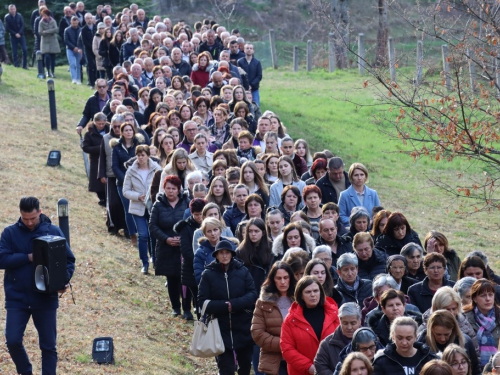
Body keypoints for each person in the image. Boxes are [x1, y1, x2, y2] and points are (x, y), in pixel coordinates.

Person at [0, 197, 76, 375]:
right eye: (25, 218)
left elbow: (69, 260)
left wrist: (63, 280)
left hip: (45, 299)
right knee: (12, 340)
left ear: (39, 213)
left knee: (48, 346)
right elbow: (2, 259)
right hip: (17, 298)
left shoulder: (54, 231)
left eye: (32, 218)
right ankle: (25, 371)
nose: (29, 222)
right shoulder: (10, 233)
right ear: (20, 214)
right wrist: (27, 257)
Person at [198, 239, 258, 375]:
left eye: (227, 253)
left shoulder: (242, 271)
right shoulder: (208, 274)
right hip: (220, 329)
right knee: (226, 369)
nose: (224, 256)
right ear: (216, 255)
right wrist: (225, 306)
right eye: (221, 253)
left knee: (244, 369)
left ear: (232, 254)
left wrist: (235, 305)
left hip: (243, 326)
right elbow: (202, 301)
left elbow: (252, 294)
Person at [280, 276, 340, 375]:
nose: (313, 295)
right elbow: (287, 349)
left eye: (316, 291)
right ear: (301, 295)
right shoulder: (290, 320)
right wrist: (309, 367)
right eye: (308, 292)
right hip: (302, 371)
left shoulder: (335, 314)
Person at [149, 175, 191, 317]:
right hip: (166, 247)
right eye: (168, 188)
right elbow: (153, 225)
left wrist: (183, 238)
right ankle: (175, 307)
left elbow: (191, 222)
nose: (171, 191)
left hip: (183, 248)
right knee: (171, 278)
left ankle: (187, 308)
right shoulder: (158, 204)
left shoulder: (186, 203)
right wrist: (166, 239)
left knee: (184, 278)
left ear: (179, 190)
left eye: (173, 189)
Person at [251, 261, 296, 375]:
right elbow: (257, 333)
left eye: (286, 277)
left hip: (298, 358)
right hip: (274, 360)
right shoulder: (263, 302)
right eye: (278, 278)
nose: (282, 282)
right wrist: (283, 344)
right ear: (273, 280)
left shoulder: (300, 299)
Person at [123, 145, 161, 274]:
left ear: (148, 156)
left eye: (143, 155)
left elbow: (161, 187)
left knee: (153, 235)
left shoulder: (157, 169)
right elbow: (125, 191)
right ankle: (144, 263)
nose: (140, 158)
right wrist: (137, 196)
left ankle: (155, 261)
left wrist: (152, 196)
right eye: (138, 155)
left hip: (152, 207)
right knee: (143, 235)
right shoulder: (131, 171)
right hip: (137, 207)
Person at [416, 309, 480, 375]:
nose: (443, 339)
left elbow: (475, 369)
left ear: (453, 329)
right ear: (431, 329)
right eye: (438, 334)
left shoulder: (465, 341)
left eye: (446, 334)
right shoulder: (422, 343)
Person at [416, 286, 478, 352]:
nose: (451, 313)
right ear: (437, 308)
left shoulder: (464, 324)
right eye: (447, 309)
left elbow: (475, 352)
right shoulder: (423, 331)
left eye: (454, 309)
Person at [372, 316, 437, 375]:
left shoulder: (430, 359)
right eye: (400, 338)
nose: (404, 342)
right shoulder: (382, 361)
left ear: (415, 337)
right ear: (393, 337)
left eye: (408, 338)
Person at [174, 198, 205, 320]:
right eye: (196, 214)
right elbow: (185, 248)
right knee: (189, 289)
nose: (199, 217)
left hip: (204, 264)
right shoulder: (185, 227)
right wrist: (198, 261)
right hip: (190, 265)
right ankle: (187, 309)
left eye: (201, 214)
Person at [314, 302, 362, 371]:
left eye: (353, 323)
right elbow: (320, 367)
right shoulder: (326, 344)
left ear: (359, 321)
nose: (349, 327)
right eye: (345, 323)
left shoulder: (370, 340)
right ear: (340, 321)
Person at [463, 279, 500, 367]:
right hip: (472, 366)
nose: (488, 299)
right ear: (475, 298)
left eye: (490, 295)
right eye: (483, 295)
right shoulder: (464, 318)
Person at [82, 112, 109, 206]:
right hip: (96, 160)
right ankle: (102, 199)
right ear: (94, 122)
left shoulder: (110, 130)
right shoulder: (89, 133)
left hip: (108, 160)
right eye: (99, 124)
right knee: (98, 183)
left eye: (103, 123)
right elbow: (85, 147)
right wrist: (100, 148)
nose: (101, 126)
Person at [4, 4, 28, 69]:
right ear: (9, 10)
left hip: (21, 35)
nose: (13, 10)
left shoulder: (19, 16)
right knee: (14, 51)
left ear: (16, 9)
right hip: (13, 36)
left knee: (25, 49)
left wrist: (19, 33)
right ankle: (16, 65)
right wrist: (15, 34)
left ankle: (24, 65)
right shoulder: (7, 17)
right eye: (11, 9)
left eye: (14, 9)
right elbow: (7, 28)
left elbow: (23, 25)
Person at [38, 8, 59, 78]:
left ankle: (53, 71)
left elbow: (55, 29)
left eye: (44, 15)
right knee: (47, 56)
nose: (43, 16)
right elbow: (40, 32)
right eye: (42, 15)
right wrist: (50, 31)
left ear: (48, 15)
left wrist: (46, 31)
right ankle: (48, 71)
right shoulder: (41, 22)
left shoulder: (53, 21)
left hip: (53, 41)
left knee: (53, 57)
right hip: (45, 42)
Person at [64, 16, 82, 84]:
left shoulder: (81, 30)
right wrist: (73, 47)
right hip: (70, 49)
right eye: (73, 23)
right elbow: (66, 40)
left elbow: (82, 40)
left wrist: (79, 48)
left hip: (79, 49)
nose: (74, 24)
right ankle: (74, 78)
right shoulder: (67, 30)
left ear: (78, 22)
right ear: (71, 22)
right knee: (72, 64)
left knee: (78, 64)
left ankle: (78, 79)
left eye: (75, 23)